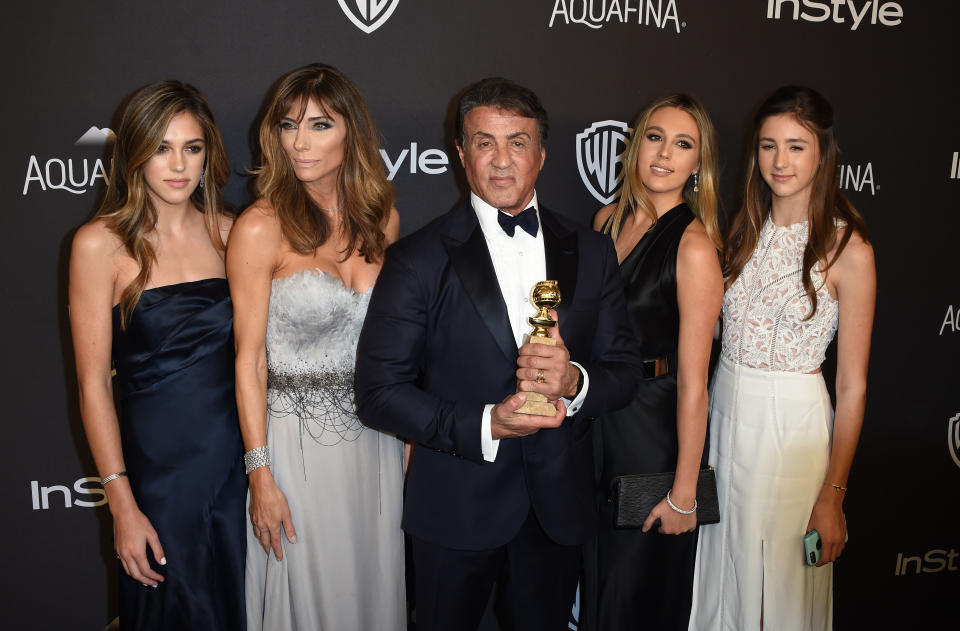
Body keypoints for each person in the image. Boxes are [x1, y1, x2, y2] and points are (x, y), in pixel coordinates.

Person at [355, 77, 642, 631]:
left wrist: (574, 383)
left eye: (517, 142)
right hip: (455, 507)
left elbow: (625, 372)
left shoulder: (591, 249)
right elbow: (378, 394)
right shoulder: (417, 258)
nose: (502, 160)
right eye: (484, 142)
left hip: (557, 508)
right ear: (461, 154)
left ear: (541, 153)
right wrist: (487, 423)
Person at [688, 85, 876, 631]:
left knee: (781, 590)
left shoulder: (849, 250)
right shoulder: (740, 234)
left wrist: (834, 493)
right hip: (724, 417)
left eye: (796, 146)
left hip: (791, 431)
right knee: (722, 573)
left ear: (823, 152)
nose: (780, 161)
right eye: (769, 146)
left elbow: (854, 387)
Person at [228, 63, 404, 631]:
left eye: (319, 125)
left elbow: (391, 344)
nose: (299, 142)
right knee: (306, 596)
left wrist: (406, 438)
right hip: (294, 449)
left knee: (371, 591)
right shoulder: (260, 226)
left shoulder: (383, 220)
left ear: (351, 131)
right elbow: (249, 359)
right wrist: (260, 473)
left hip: (376, 442)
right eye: (287, 125)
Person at [69, 80, 245, 629]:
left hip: (239, 468)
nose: (178, 165)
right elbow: (94, 384)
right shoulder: (99, 244)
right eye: (161, 148)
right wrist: (121, 505)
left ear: (208, 153)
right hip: (159, 481)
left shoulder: (234, 233)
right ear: (134, 153)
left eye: (192, 148)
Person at [586, 94, 724, 630]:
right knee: (595, 584)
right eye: (655, 136)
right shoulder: (604, 222)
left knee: (632, 589)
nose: (664, 153)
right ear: (635, 144)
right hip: (592, 419)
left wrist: (684, 494)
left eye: (683, 143)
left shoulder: (693, 247)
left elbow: (695, 383)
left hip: (650, 431)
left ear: (698, 165)